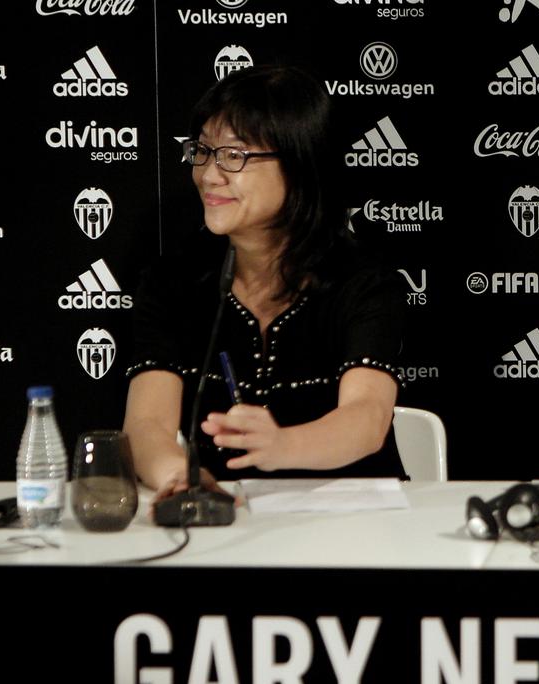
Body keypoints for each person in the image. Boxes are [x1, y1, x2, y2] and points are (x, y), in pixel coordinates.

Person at [122, 65, 406, 503]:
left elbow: (366, 418)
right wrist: (178, 476)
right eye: (203, 150)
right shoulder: (172, 281)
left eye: (234, 156)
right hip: (229, 518)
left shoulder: (363, 282)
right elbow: (147, 425)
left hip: (355, 516)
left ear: (299, 165)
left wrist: (282, 445)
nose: (210, 175)